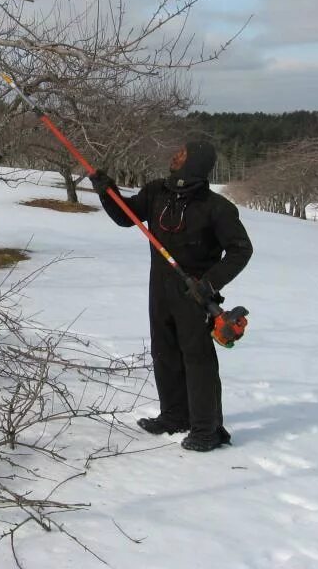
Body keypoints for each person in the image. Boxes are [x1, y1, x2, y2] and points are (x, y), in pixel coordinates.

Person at [89, 140, 253, 452]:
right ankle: (175, 416)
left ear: (196, 162)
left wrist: (208, 283)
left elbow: (241, 250)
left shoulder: (217, 208)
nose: (175, 155)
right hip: (160, 288)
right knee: (164, 353)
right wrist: (108, 193)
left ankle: (207, 429)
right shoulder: (156, 192)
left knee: (197, 359)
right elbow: (127, 216)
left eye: (183, 153)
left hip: (195, 294)